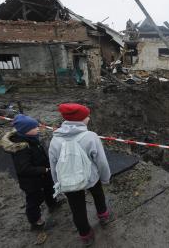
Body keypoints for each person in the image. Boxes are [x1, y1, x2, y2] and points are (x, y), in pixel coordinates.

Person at [48, 103, 112, 246]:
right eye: (87, 116)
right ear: (80, 120)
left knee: (77, 209)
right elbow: (101, 161)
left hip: (69, 182)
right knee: (98, 195)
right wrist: (106, 177)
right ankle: (103, 216)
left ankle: (85, 235)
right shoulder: (90, 137)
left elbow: (54, 166)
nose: (89, 118)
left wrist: (58, 184)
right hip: (91, 178)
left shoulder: (55, 140)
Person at [0, 114, 61, 230]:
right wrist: (43, 169)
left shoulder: (32, 138)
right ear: (25, 131)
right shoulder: (21, 148)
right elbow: (24, 169)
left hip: (43, 174)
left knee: (49, 188)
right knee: (34, 200)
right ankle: (35, 222)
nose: (38, 128)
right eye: (34, 127)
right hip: (32, 181)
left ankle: (52, 204)